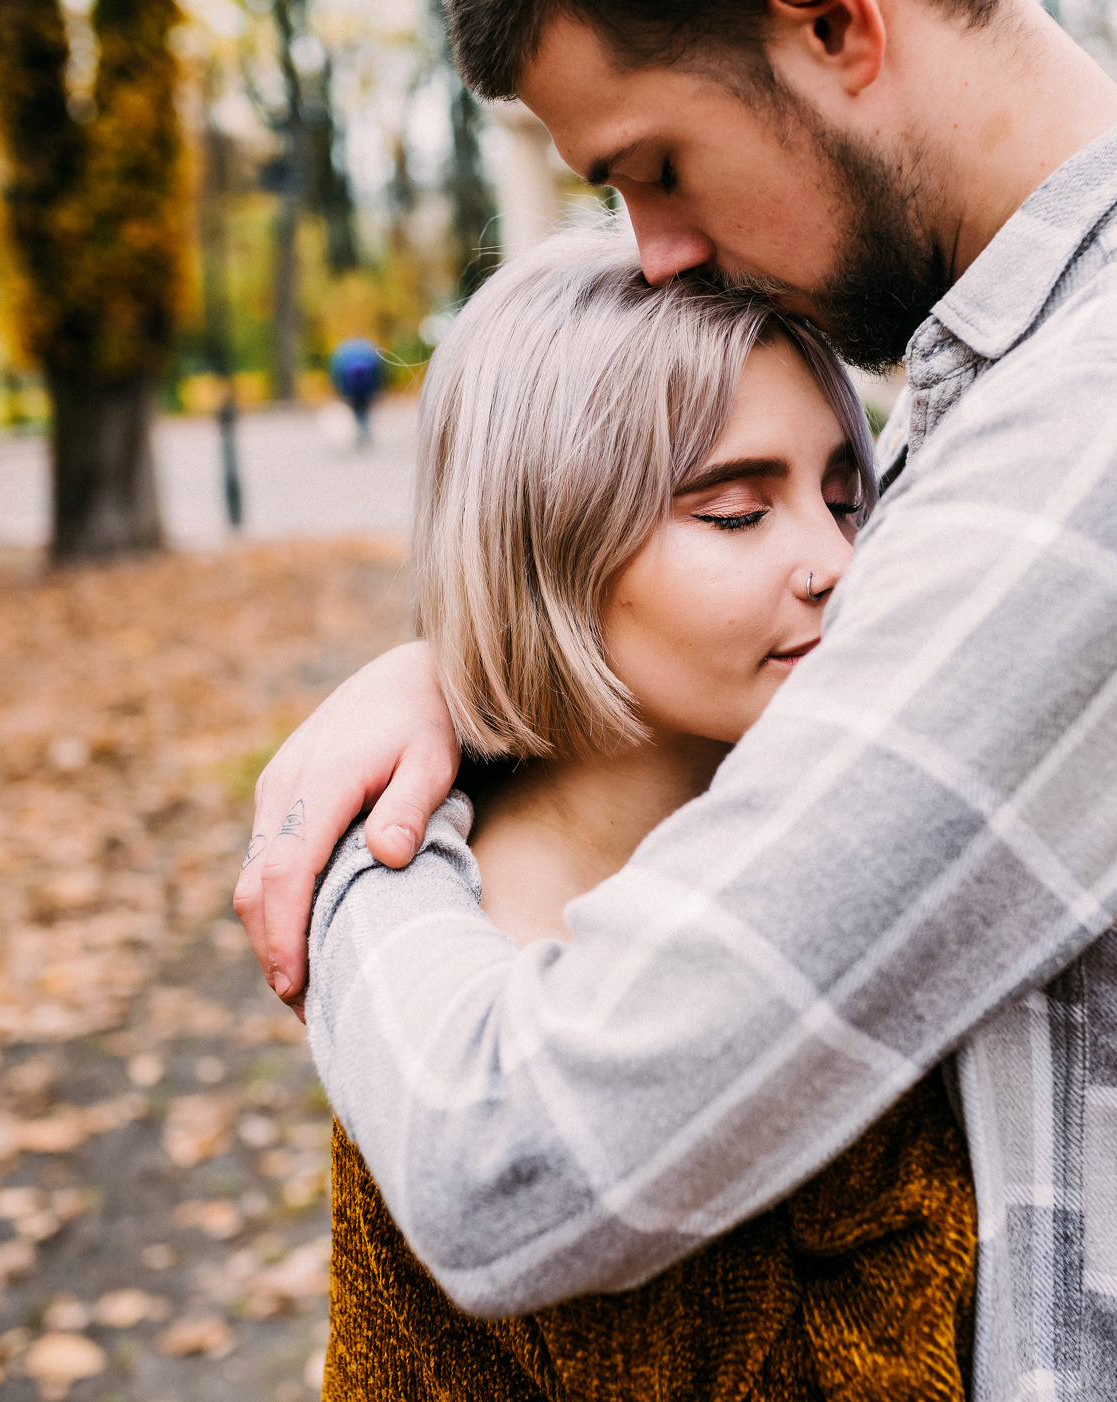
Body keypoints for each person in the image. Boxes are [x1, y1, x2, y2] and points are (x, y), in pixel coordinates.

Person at [239, 1, 1117, 1395]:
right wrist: (463, 664)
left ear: (832, 23)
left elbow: (514, 1157)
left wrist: (346, 856)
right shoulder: (1033, 374)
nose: (657, 250)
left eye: (654, 164)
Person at [317, 226, 979, 1399]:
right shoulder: (456, 1019)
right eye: (736, 513)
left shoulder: (869, 806)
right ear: (548, 545)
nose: (836, 562)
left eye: (845, 497)